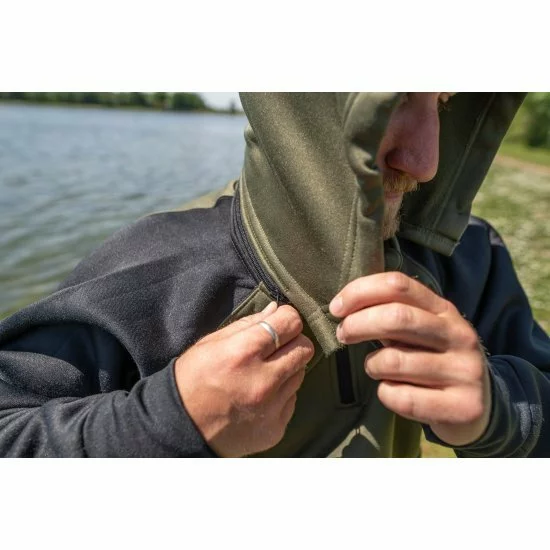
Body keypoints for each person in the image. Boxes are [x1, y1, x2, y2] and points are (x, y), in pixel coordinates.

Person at [0, 92, 548, 457]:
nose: (425, 161)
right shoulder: (148, 275)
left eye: (444, 101)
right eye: (394, 98)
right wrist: (166, 425)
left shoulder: (469, 260)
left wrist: (503, 410)